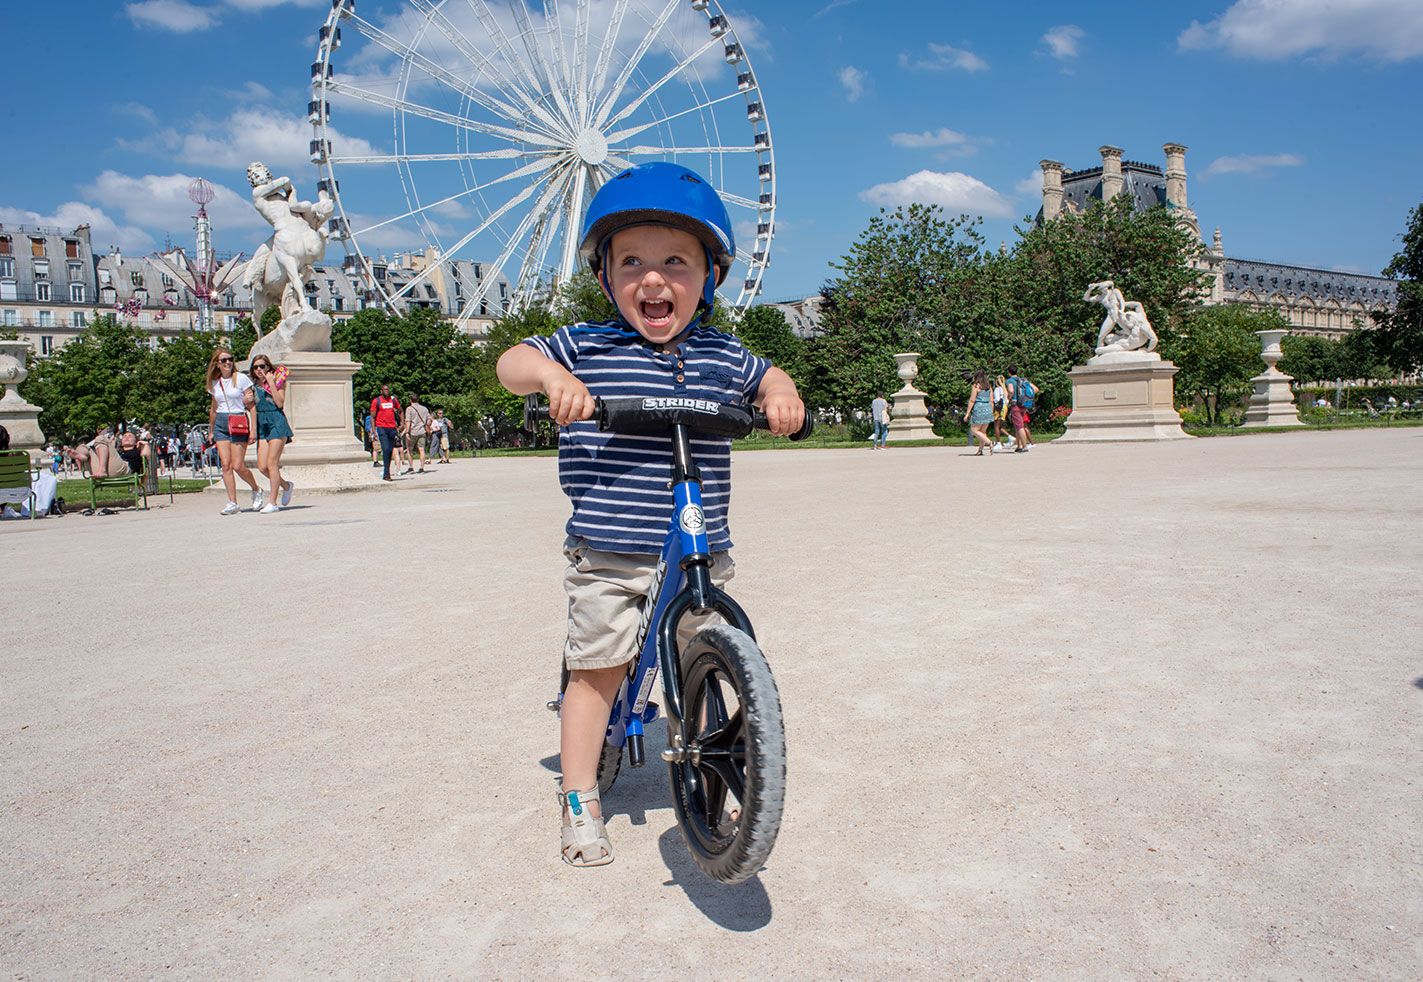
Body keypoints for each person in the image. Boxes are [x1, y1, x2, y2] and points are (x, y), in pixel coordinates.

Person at [495, 161, 805, 869]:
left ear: (710, 278)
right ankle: (579, 796)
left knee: (704, 640)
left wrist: (781, 395)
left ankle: (706, 731)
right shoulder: (587, 345)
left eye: (676, 263)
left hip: (699, 543)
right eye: (631, 262)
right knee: (598, 666)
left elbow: (769, 376)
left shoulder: (723, 354)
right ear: (605, 277)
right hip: (611, 543)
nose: (653, 279)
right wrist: (550, 378)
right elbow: (515, 360)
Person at [207, 348, 263, 515]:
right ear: (217, 364)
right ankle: (232, 502)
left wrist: (253, 429)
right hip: (221, 423)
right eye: (223, 360)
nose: (228, 363)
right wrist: (211, 430)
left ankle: (256, 489)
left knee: (238, 465)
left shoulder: (241, 379)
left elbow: (252, 407)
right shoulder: (214, 383)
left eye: (230, 359)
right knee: (226, 465)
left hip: (238, 419)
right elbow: (213, 408)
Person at [249, 356, 296, 513]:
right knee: (262, 466)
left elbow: (280, 403)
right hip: (262, 423)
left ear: (268, 367)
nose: (259, 370)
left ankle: (272, 502)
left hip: (276, 421)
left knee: (272, 463)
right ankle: (286, 485)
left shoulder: (278, 380)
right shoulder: (253, 385)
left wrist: (271, 383)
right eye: (256, 367)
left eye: (262, 366)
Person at [369, 384, 402, 481]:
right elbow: (372, 417)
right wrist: (374, 431)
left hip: (392, 428)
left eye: (388, 389)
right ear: (381, 391)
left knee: (390, 450)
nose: (387, 391)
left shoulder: (393, 400)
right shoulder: (376, 401)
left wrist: (402, 423)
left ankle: (386, 473)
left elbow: (400, 410)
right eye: (385, 390)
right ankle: (386, 473)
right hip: (381, 428)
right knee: (386, 449)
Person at [963, 369, 996, 455]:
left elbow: (972, 400)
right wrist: (991, 411)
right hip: (988, 408)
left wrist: (967, 414)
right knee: (982, 431)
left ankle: (989, 442)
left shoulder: (976, 386)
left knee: (974, 430)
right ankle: (980, 450)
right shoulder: (989, 387)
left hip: (979, 408)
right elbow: (992, 400)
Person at [1005, 365, 1036, 453]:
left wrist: (1009, 397)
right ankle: (1019, 446)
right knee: (1018, 425)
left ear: (1009, 372)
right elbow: (1035, 389)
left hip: (1015, 405)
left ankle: (1024, 446)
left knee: (1020, 426)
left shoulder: (1009, 381)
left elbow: (1011, 390)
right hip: (1024, 404)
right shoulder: (1022, 380)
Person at [401, 393, 433, 474]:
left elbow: (408, 421)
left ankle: (411, 467)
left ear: (410, 400)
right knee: (421, 449)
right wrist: (426, 425)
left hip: (412, 432)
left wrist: (407, 432)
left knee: (409, 449)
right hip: (422, 431)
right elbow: (429, 419)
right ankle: (422, 468)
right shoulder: (424, 409)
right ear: (418, 399)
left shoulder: (409, 409)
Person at [992, 374, 1013, 450]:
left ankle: (998, 443)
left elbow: (997, 399)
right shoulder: (1005, 389)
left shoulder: (997, 389)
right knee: (1000, 426)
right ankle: (1010, 437)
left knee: (996, 426)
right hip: (1004, 407)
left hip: (999, 408)